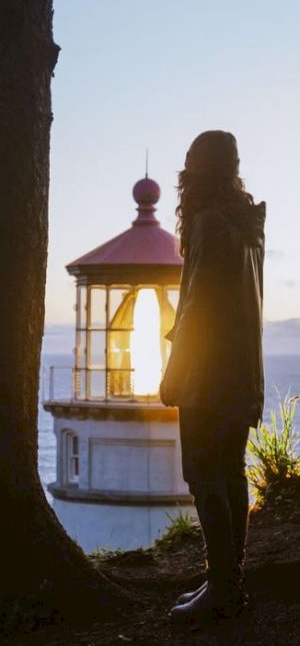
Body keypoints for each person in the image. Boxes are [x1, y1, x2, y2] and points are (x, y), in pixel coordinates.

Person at [159, 130, 266, 625]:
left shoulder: (205, 222)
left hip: (207, 374)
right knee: (229, 471)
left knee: (204, 475)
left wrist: (174, 372)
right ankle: (229, 581)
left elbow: (198, 306)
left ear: (195, 171)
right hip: (242, 371)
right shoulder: (249, 225)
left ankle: (222, 587)